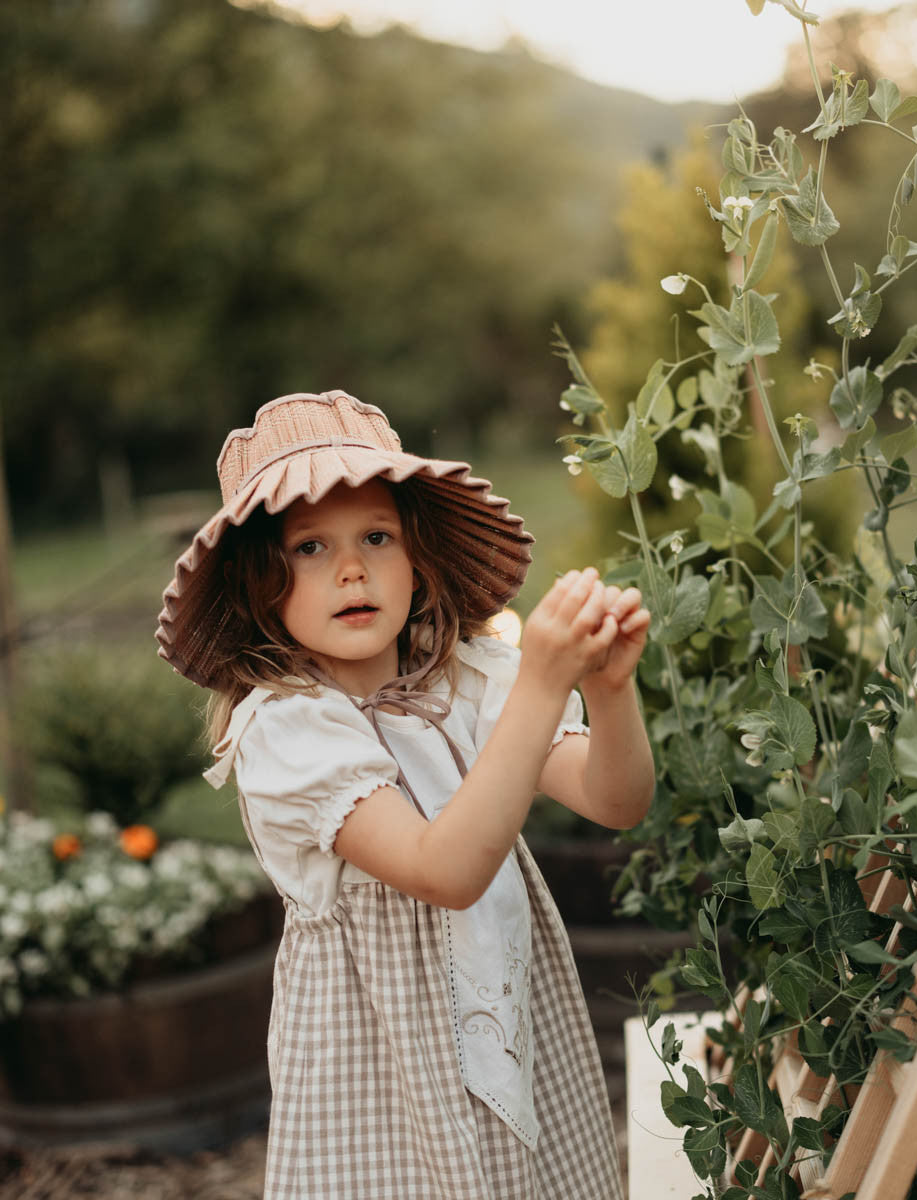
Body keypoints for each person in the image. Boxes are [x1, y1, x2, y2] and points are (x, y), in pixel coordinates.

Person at [156, 389, 654, 1198]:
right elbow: (443, 870)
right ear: (257, 584)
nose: (351, 568)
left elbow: (617, 803)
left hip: (510, 1021)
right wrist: (542, 684)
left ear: (416, 557)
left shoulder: (467, 678)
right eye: (309, 547)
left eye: (377, 537)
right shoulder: (287, 729)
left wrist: (608, 689)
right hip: (385, 1071)